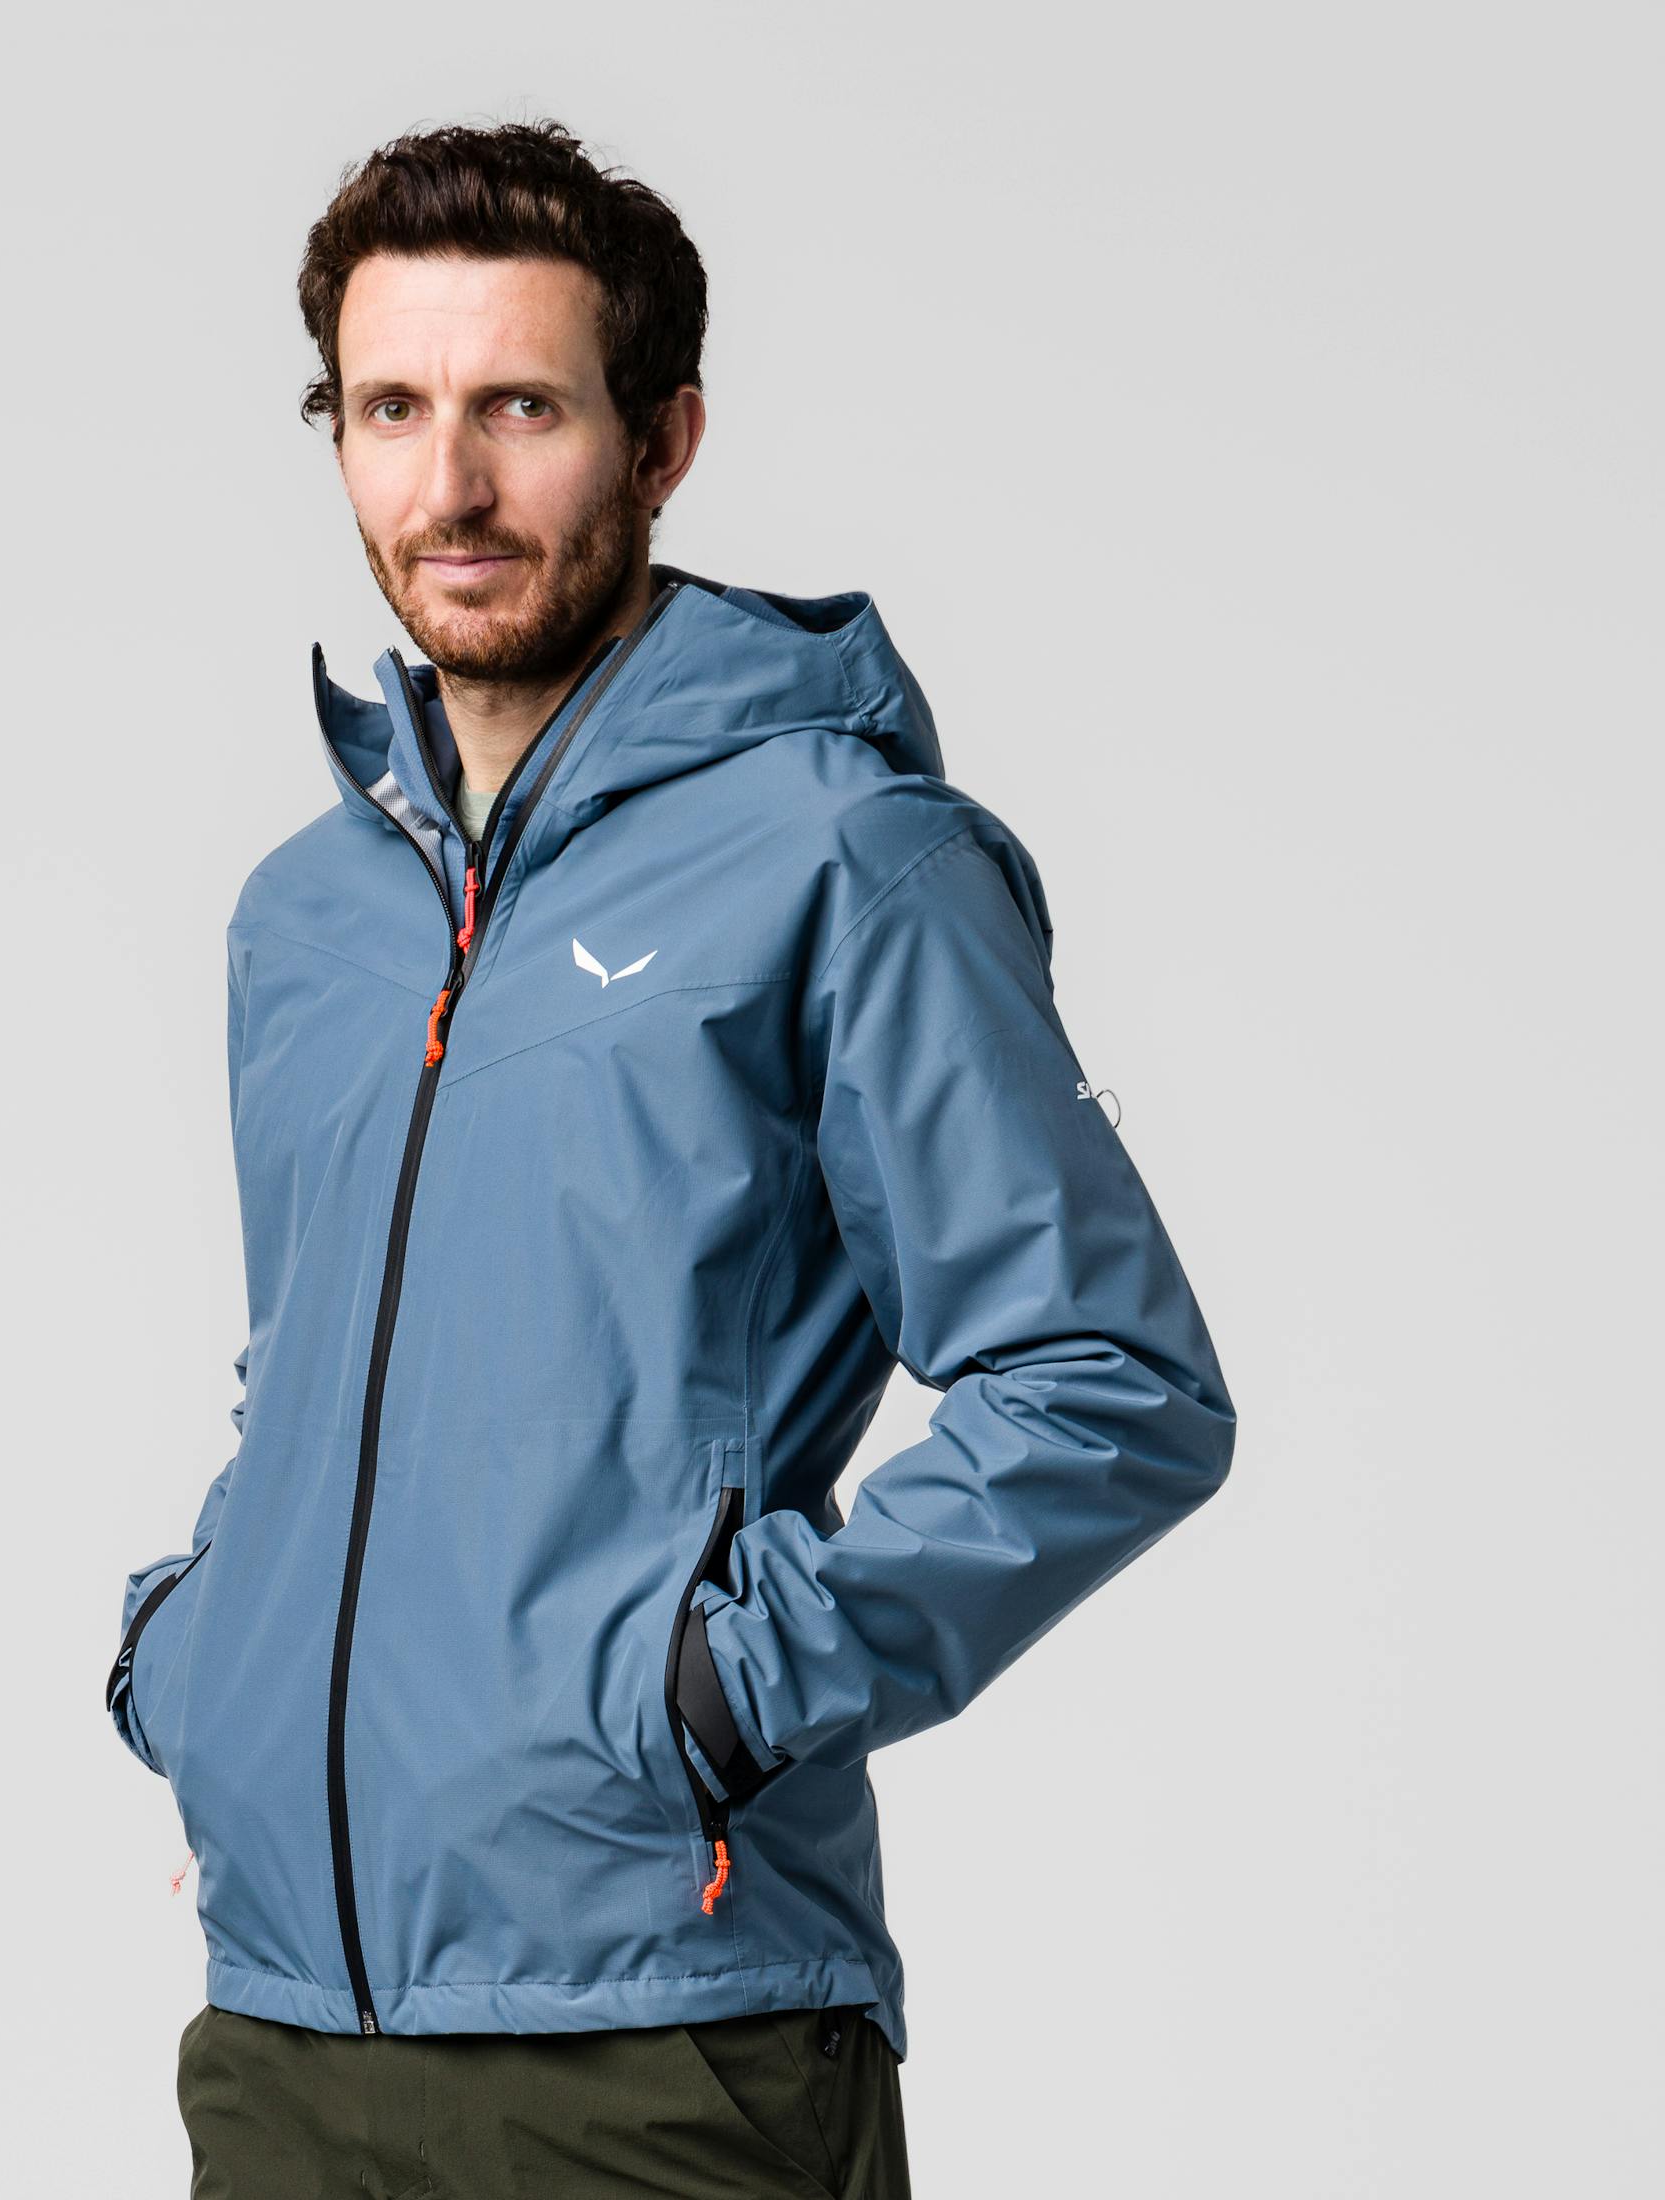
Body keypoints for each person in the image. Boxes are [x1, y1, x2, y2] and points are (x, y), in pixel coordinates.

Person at [106, 117, 1237, 2198]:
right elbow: (317, 1377)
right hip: (281, 2036)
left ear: (662, 439)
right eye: (390, 409)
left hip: (662, 2045)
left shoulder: (841, 855)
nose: (448, 487)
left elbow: (1109, 1380)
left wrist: (716, 1688)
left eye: (521, 408)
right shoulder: (304, 917)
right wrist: (212, 1658)